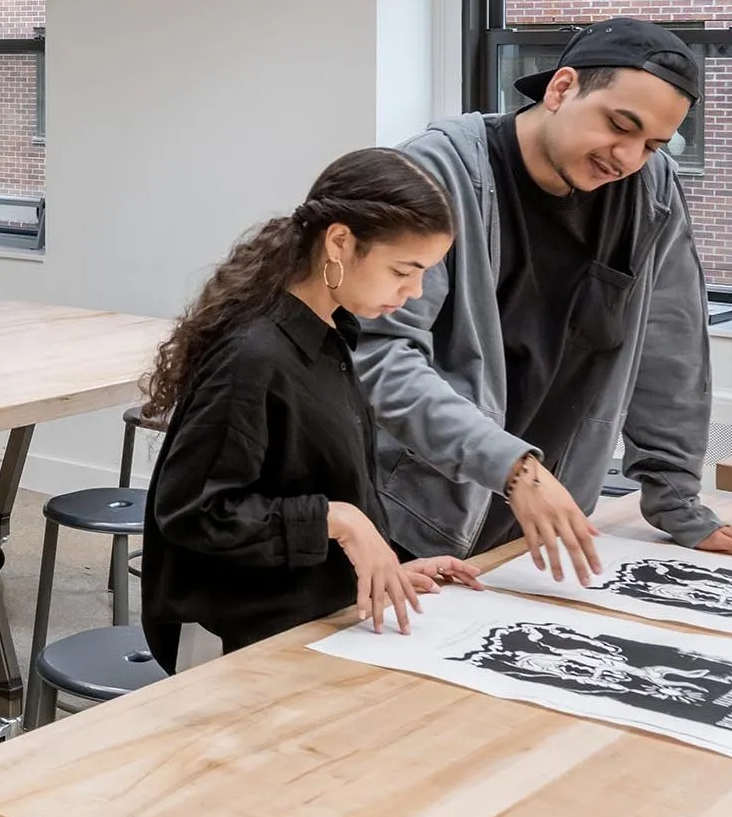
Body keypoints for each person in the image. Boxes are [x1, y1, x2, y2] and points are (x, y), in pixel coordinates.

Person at [356, 18, 732, 580]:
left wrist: (678, 503)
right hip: (407, 522)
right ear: (561, 87)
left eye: (651, 144)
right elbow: (380, 359)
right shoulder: (439, 175)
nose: (626, 157)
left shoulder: (651, 191)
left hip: (541, 532)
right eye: (620, 126)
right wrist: (513, 468)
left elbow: (668, 349)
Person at [138, 149, 483, 670]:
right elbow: (195, 512)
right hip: (234, 642)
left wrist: (384, 564)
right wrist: (339, 519)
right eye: (403, 271)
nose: (412, 294)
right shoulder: (253, 356)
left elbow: (306, 484)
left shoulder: (333, 337)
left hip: (306, 620)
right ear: (340, 241)